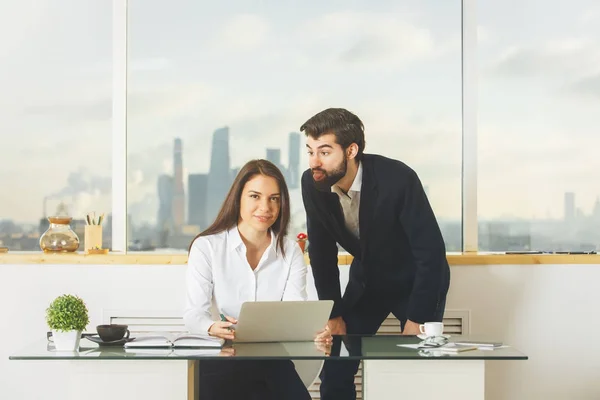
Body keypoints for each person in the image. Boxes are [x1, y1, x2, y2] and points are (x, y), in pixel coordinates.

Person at [300, 108, 451, 400]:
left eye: (324, 152)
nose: (314, 163)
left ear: (351, 150)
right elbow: (321, 253)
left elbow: (430, 254)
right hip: (368, 282)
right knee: (336, 365)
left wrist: (418, 316)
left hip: (415, 283)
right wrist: (334, 313)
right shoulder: (313, 184)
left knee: (417, 368)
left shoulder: (398, 178)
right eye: (310, 151)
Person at [184, 159, 331, 400]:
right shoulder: (207, 247)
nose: (265, 207)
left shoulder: (290, 250)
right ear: (238, 198)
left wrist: (313, 331)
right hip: (221, 360)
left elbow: (295, 311)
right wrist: (211, 327)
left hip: (272, 363)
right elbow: (193, 315)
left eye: (274, 198)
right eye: (255, 196)